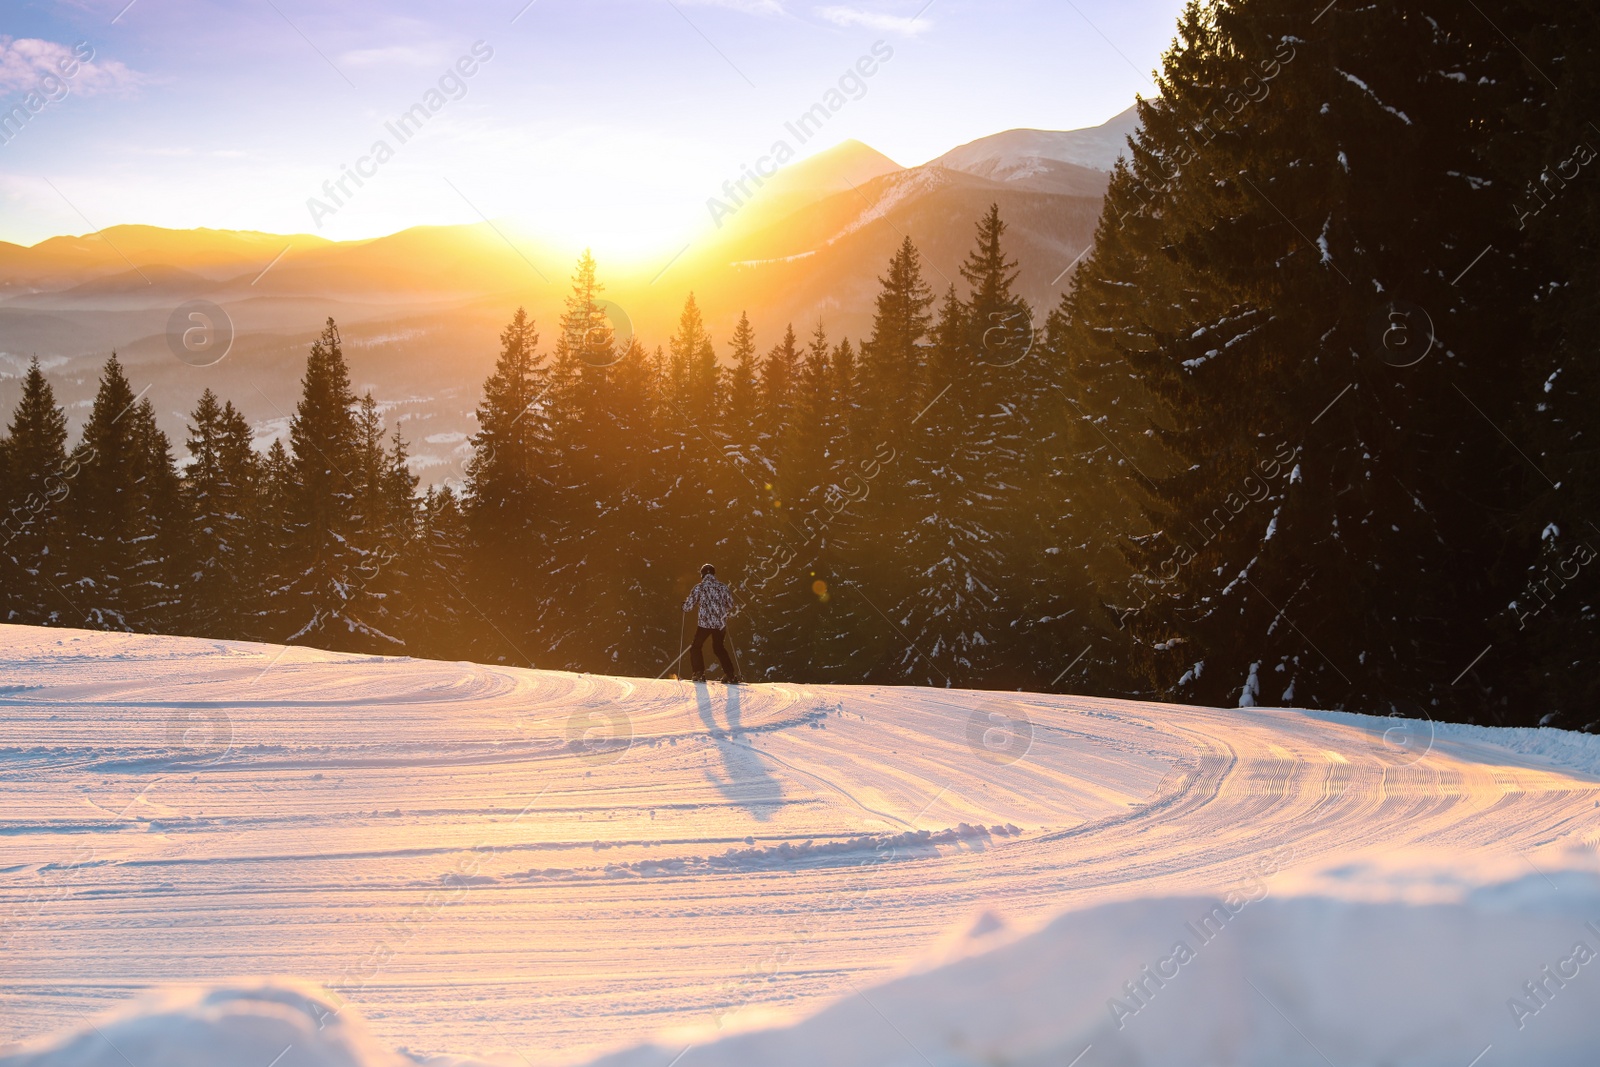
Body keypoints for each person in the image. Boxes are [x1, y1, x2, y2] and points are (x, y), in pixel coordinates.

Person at [682, 564, 741, 683]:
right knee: (719, 648)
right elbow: (730, 604)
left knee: (696, 647)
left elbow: (688, 607)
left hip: (704, 624)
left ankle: (699, 673)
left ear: (702, 575)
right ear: (714, 574)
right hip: (720, 624)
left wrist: (683, 606)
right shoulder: (723, 587)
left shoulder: (699, 587)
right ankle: (730, 674)